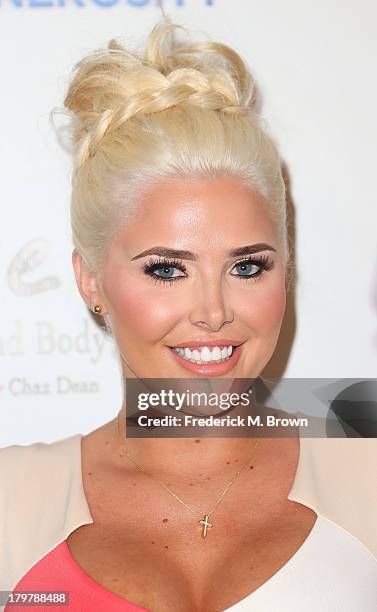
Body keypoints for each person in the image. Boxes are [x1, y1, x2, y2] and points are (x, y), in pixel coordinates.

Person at [1, 17, 376, 612]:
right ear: (90, 280)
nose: (213, 312)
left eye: (247, 267)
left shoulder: (369, 476)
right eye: (167, 269)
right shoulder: (10, 502)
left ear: (288, 269)